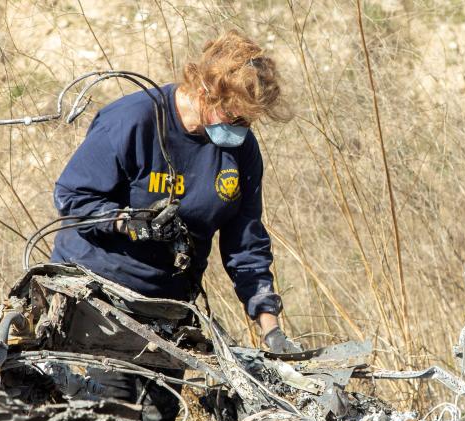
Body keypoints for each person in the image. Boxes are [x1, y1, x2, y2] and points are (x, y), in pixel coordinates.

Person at [50, 29, 299, 355]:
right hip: (96, 297)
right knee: (109, 403)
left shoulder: (240, 150)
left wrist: (271, 329)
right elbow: (71, 198)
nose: (241, 128)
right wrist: (129, 222)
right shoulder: (132, 121)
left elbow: (245, 240)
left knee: (161, 406)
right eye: (233, 116)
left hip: (168, 307)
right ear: (207, 91)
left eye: (248, 121)